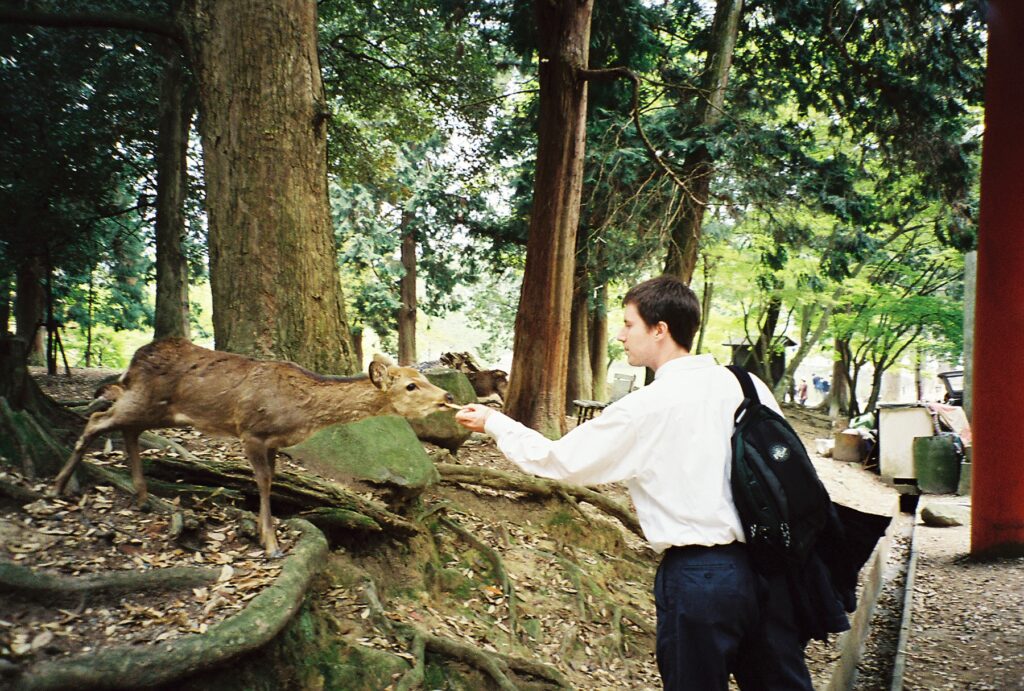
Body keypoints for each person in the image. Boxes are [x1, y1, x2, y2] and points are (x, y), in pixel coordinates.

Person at [456, 276, 813, 690]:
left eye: (629, 324)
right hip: (771, 567)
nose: (621, 336)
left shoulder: (647, 407)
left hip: (700, 577)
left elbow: (562, 461)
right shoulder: (748, 385)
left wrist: (494, 423)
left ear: (660, 330)